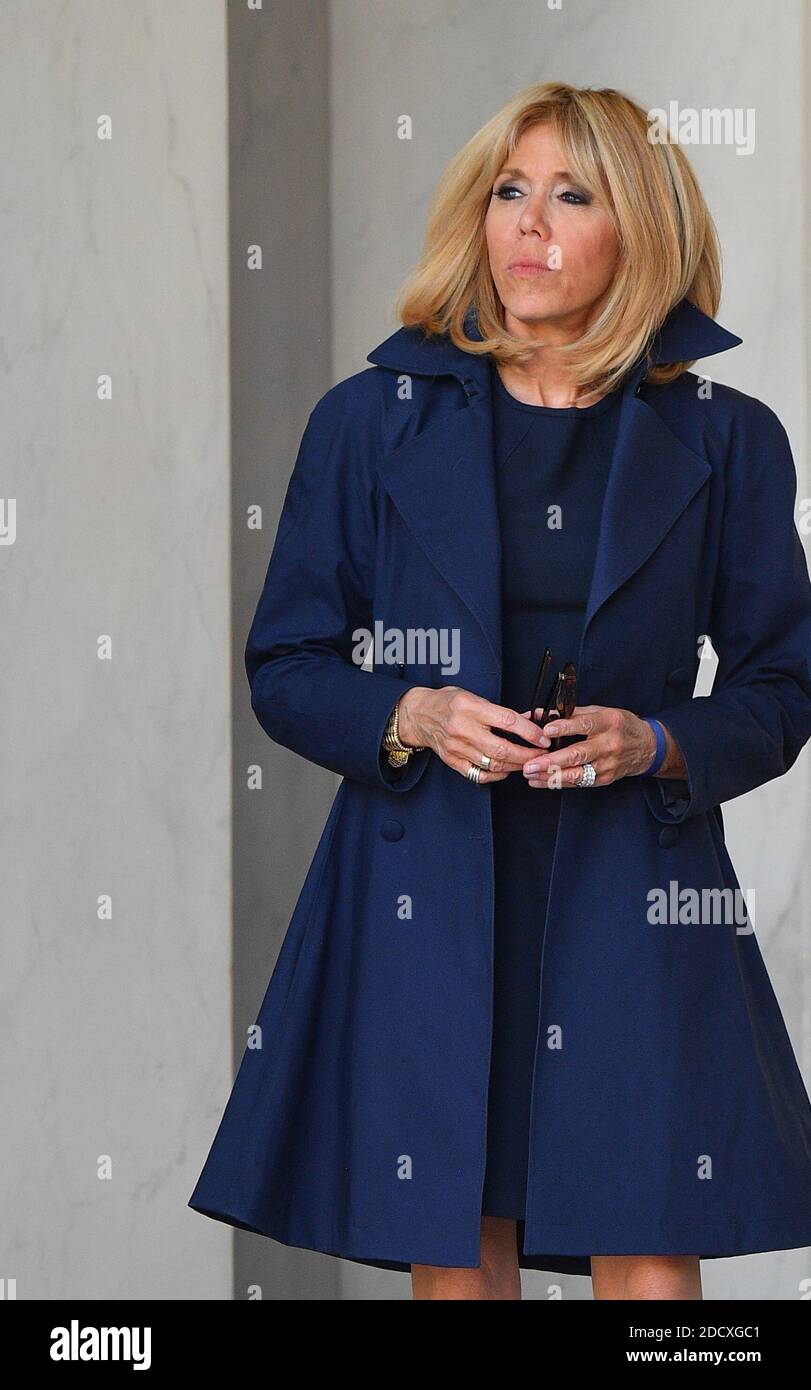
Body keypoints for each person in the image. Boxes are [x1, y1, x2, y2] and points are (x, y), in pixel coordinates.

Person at [189, 82, 811, 1301]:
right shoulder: (369, 423)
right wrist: (407, 714)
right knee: (457, 1235)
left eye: (570, 196)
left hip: (634, 872)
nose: (528, 224)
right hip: (424, 871)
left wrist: (659, 740)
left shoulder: (729, 437)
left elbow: (784, 683)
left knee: (646, 1234)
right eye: (507, 192)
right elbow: (289, 663)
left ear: (639, 230)